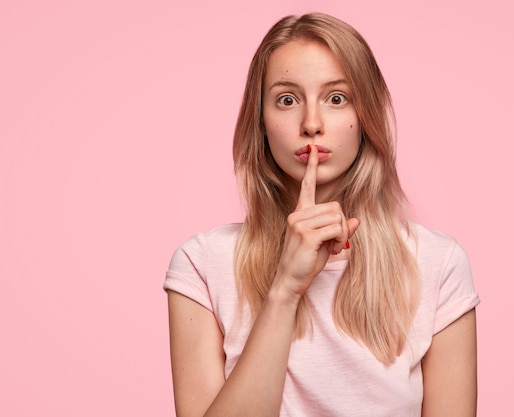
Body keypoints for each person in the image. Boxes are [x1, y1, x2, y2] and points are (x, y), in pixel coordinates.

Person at [164, 12, 479, 417]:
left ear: (365, 118)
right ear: (261, 121)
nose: (311, 124)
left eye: (336, 98)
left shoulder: (438, 264)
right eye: (287, 100)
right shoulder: (201, 265)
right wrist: (284, 289)